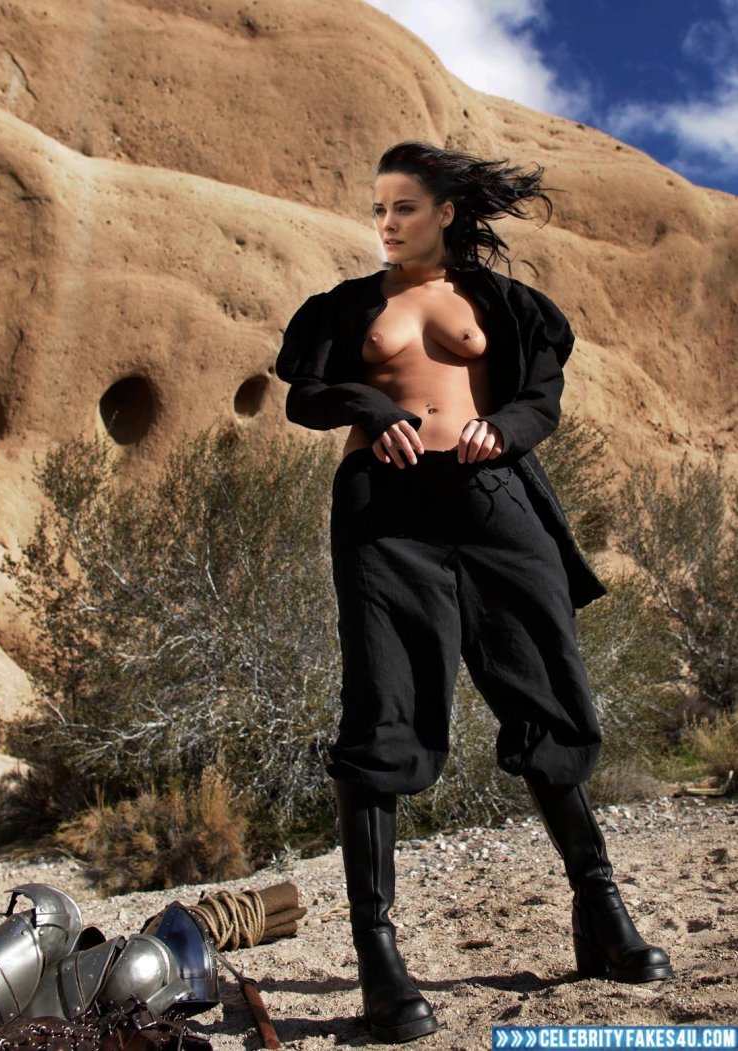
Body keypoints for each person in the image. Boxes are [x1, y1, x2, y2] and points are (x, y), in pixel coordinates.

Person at [276, 141, 672, 1044]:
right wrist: (370, 408)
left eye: (406, 207)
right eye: (379, 208)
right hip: (386, 513)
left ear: (446, 212)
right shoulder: (348, 305)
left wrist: (508, 429)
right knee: (382, 709)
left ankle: (600, 908)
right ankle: (379, 954)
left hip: (497, 503)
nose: (388, 222)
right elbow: (304, 396)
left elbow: (541, 399)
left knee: (548, 696)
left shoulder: (501, 302)